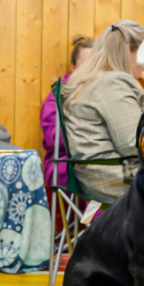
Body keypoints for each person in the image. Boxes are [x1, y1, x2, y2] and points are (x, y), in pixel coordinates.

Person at [61, 20, 144, 203]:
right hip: (121, 180)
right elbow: (134, 144)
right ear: (128, 53)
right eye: (143, 54)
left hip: (97, 178)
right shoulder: (113, 83)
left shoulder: (87, 80)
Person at [41, 34, 93, 189]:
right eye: (86, 64)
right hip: (65, 161)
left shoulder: (109, 92)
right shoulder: (59, 95)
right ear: (73, 67)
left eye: (96, 64)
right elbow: (54, 138)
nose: (92, 70)